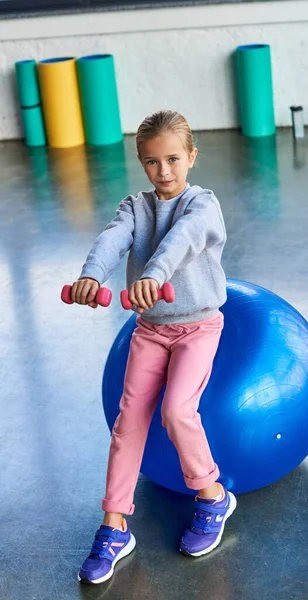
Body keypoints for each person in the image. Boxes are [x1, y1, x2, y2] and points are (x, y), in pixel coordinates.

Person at [73, 110, 236, 585]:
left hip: (198, 327)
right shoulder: (134, 206)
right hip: (150, 330)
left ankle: (212, 497)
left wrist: (153, 275)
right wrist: (90, 275)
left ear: (191, 157)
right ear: (141, 163)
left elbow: (181, 242)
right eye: (151, 162)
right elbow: (112, 239)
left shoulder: (203, 205)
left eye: (172, 159)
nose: (163, 172)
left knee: (178, 412)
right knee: (128, 422)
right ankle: (114, 526)